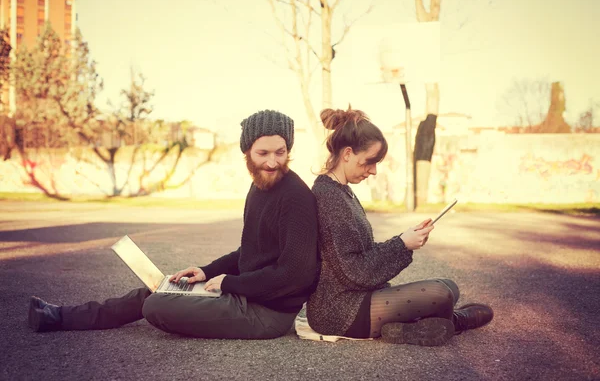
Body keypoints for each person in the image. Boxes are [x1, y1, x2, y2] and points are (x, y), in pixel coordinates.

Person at [29, 109, 320, 340]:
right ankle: (59, 316)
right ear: (247, 153)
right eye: (263, 153)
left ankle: (66, 316)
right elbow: (251, 251)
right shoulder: (259, 187)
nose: (272, 162)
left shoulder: (295, 197)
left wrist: (231, 282)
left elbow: (295, 273)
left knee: (157, 305)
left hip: (266, 314)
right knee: (160, 287)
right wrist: (207, 271)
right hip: (246, 293)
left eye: (279, 152)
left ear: (288, 150)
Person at [306, 107, 493, 346]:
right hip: (341, 310)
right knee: (441, 294)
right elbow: (355, 271)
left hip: (358, 297)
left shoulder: (342, 192)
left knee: (450, 286)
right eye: (369, 162)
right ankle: (453, 321)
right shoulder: (328, 196)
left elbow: (362, 253)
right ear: (348, 154)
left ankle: (403, 329)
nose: (373, 171)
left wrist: (406, 238)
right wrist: (403, 244)